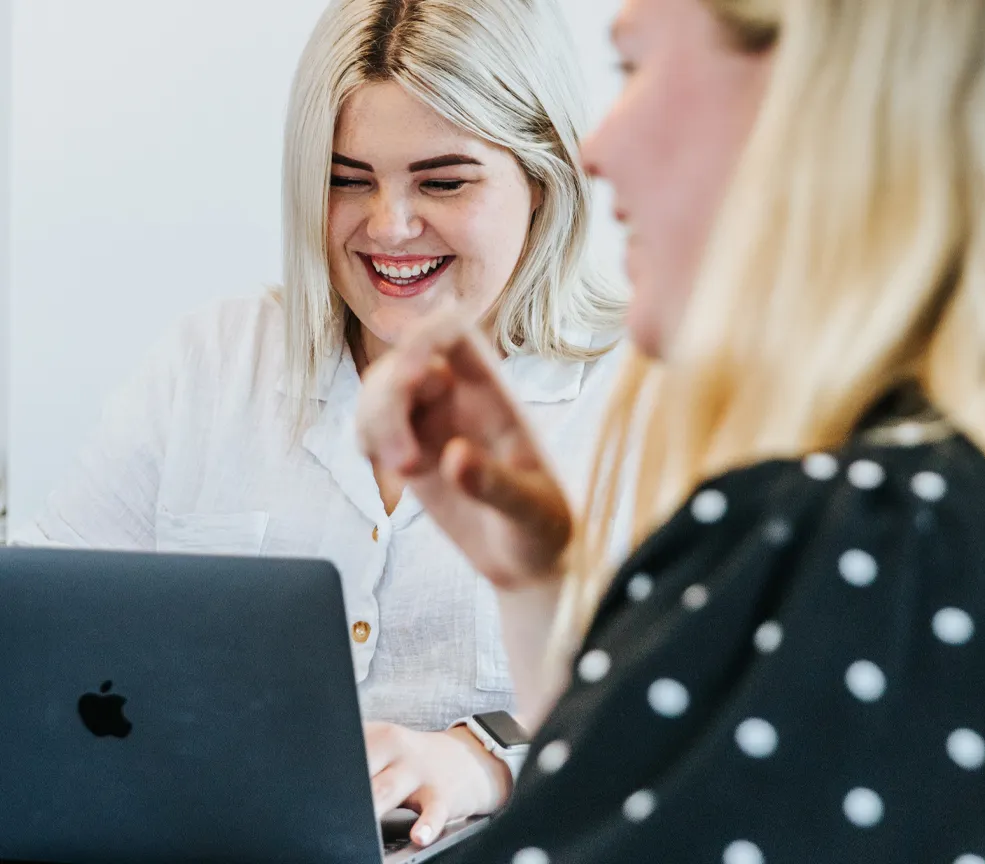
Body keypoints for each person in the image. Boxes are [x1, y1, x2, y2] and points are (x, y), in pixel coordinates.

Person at [356, 0, 985, 860]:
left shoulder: (855, 543)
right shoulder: (982, 524)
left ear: (812, 97)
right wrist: (535, 586)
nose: (595, 151)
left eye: (635, 67)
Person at [13, 0, 627, 848]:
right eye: (347, 179)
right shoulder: (212, 362)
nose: (389, 226)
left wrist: (488, 758)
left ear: (543, 177)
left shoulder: (644, 400)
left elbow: (699, 702)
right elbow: (38, 628)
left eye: (443, 181)